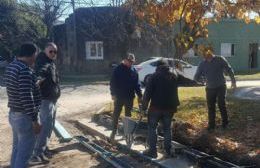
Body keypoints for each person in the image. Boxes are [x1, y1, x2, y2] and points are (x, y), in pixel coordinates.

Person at [4, 43, 41, 168]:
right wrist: (35, 121)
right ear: (32, 54)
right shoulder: (24, 70)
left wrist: (33, 83)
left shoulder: (12, 67)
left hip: (14, 114)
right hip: (24, 117)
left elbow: (16, 88)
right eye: (35, 54)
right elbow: (26, 97)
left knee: (17, 149)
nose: (35, 58)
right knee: (24, 153)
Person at [142, 59, 180, 158]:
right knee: (167, 129)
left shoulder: (154, 76)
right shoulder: (173, 76)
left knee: (152, 128)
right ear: (166, 66)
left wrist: (144, 107)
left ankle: (152, 151)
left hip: (156, 108)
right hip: (170, 108)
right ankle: (168, 151)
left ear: (157, 67)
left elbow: (147, 93)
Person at [194, 45, 236, 131]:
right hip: (209, 88)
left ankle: (225, 123)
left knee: (221, 104)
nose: (206, 55)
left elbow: (229, 69)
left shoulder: (220, 59)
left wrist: (233, 81)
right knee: (211, 107)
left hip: (221, 86)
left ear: (211, 52)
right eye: (204, 54)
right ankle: (211, 125)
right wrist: (201, 80)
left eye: (208, 52)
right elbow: (196, 76)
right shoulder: (202, 64)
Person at [32, 42, 60, 162]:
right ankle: (37, 154)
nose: (53, 54)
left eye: (55, 52)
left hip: (52, 99)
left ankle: (44, 148)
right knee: (45, 126)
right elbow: (40, 72)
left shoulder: (50, 62)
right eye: (51, 51)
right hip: (45, 100)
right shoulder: (42, 62)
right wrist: (38, 79)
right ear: (45, 51)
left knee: (50, 126)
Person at [110, 53, 142, 140]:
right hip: (119, 96)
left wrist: (140, 95)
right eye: (129, 61)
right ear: (125, 60)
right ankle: (114, 130)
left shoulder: (134, 70)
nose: (131, 63)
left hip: (129, 97)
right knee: (116, 113)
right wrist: (113, 94)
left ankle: (127, 133)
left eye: (132, 62)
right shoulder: (117, 69)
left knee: (128, 115)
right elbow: (112, 83)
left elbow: (137, 85)